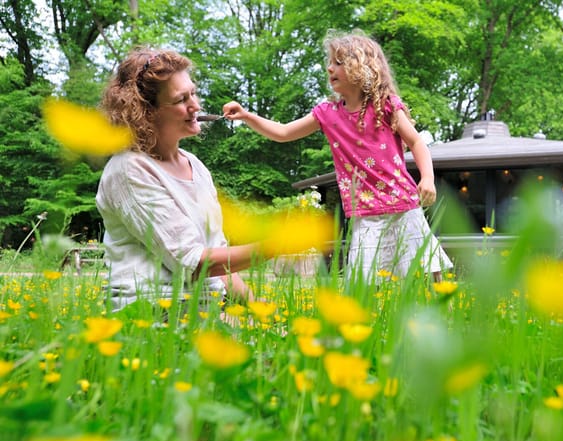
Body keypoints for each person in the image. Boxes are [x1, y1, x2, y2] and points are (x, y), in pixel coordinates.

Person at [223, 30, 452, 282]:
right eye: (330, 63)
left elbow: (417, 142)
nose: (330, 68)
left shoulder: (385, 106)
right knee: (365, 281)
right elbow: (284, 132)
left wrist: (427, 178)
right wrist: (247, 116)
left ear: (361, 68)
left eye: (338, 63)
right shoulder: (327, 113)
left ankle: (441, 314)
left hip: (404, 207)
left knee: (427, 272)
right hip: (365, 214)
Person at [96, 47, 264, 312]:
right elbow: (195, 263)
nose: (195, 106)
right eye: (180, 100)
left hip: (204, 310)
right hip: (148, 310)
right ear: (145, 112)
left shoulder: (196, 166)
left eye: (194, 93)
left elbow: (220, 263)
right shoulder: (129, 170)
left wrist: (261, 310)